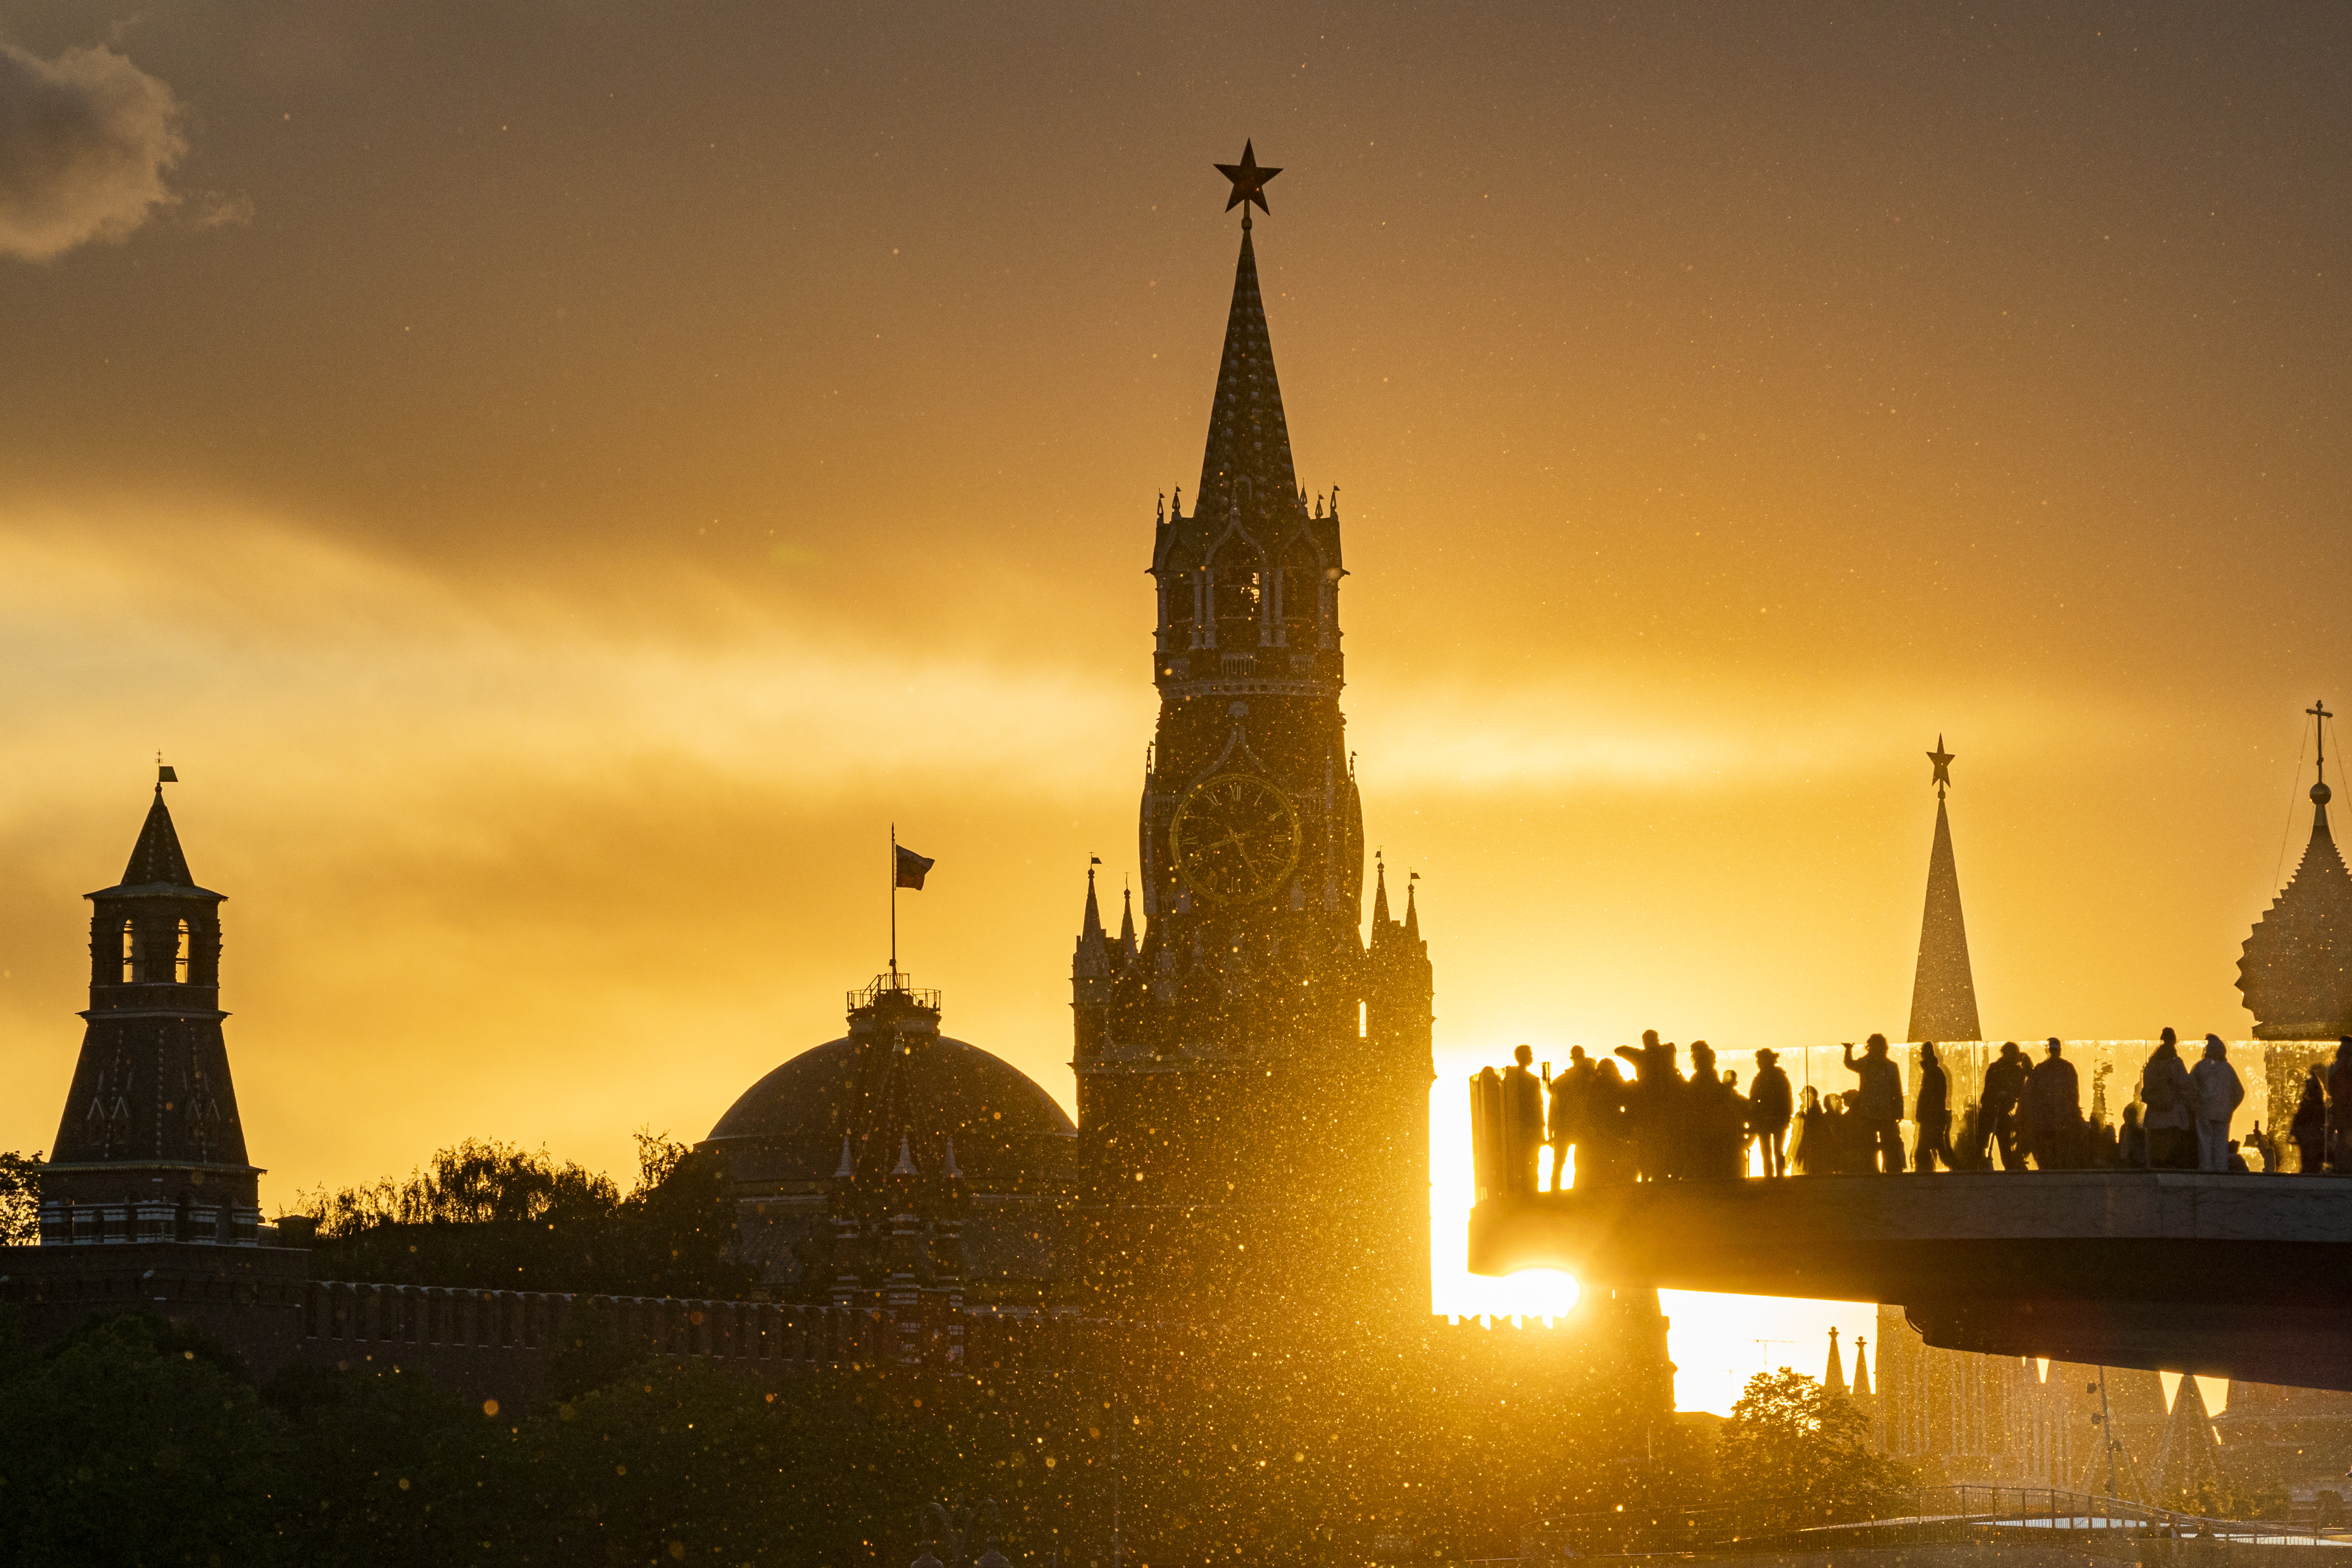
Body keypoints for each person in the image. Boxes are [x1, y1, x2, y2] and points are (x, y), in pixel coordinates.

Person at [1841, 1034, 1905, 1174]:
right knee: (1882, 1145)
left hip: (1872, 1112)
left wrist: (1848, 1051)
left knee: (1873, 1145)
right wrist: (1899, 1111)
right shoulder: (1889, 1066)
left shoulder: (1870, 1064)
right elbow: (1897, 1091)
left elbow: (1850, 1064)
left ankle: (1875, 1171)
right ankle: (1887, 1171)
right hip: (1880, 1112)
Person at [2188, 1034, 2245, 1173]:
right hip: (2223, 1115)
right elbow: (2240, 1092)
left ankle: (2206, 1174)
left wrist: (2195, 1106)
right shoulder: (2228, 1069)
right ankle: (2221, 1174)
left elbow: (2190, 1089)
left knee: (2205, 1144)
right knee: (2221, 1146)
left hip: (2204, 1112)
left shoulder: (2200, 1067)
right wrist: (2230, 1108)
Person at [2140, 1029, 2195, 1170]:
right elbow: (2185, 1085)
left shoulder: (2151, 1065)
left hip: (2153, 1117)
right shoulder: (2175, 1063)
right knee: (2171, 1158)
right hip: (2172, 1116)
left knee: (2156, 1157)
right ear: (2174, 1041)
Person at [2024, 1038, 2081, 1170]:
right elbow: (2074, 1094)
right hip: (2058, 1121)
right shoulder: (2067, 1068)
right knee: (2057, 1155)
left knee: (2050, 1155)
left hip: (2050, 1122)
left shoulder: (2042, 1069)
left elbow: (2031, 1094)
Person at [1548, 1045, 1597, 1190]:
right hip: (1582, 1125)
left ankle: (1555, 1191)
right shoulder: (1591, 1077)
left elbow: (1554, 1108)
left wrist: (1551, 1130)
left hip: (1564, 1126)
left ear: (1572, 1058)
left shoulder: (1561, 1081)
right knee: (1581, 1162)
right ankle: (1578, 1190)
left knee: (1559, 1163)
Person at [1980, 1042, 2029, 1171]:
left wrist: (2008, 1096)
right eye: (2013, 1054)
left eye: (2016, 1054)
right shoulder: (1995, 1068)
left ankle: (2010, 1169)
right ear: (2005, 1054)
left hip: (2002, 1114)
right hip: (1990, 1111)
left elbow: (2018, 1091)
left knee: (2005, 1147)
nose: (2015, 1057)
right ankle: (1982, 1166)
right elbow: (1988, 1090)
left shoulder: (2017, 1071)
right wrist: (1998, 1095)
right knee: (1982, 1145)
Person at [1749, 1048, 1794, 1177]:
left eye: (1760, 1060)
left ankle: (1770, 1177)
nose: (1758, 1063)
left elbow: (1753, 1099)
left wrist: (1754, 1117)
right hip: (1776, 1120)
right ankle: (1779, 1177)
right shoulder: (1780, 1077)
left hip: (1767, 1120)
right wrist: (1787, 1117)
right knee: (1776, 1151)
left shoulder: (1760, 1079)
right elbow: (1788, 1098)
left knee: (1769, 1152)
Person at [1912, 1040, 1954, 1172]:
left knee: (1925, 1150)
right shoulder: (1935, 1072)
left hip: (1930, 1117)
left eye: (1923, 1053)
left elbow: (1927, 1097)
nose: (1922, 1055)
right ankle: (1956, 1168)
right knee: (1939, 1148)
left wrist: (1921, 1113)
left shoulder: (1931, 1073)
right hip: (1933, 1117)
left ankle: (1925, 1172)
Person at [2292, 1063, 2329, 1175]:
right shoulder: (2315, 1102)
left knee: (2310, 1159)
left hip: (2310, 1136)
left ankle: (2310, 1172)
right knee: (2310, 1159)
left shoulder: (2312, 1104)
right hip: (2310, 1135)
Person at [1792, 1085, 1825, 1175]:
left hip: (1811, 1152)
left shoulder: (1814, 1113)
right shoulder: (1805, 1112)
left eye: (1803, 1094)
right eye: (1801, 1094)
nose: (1802, 1097)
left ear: (1811, 1096)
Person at [2331, 1039, 2352, 1175]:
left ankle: (2343, 1168)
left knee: (2344, 1141)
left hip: (2343, 1112)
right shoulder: (2340, 1069)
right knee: (2344, 1140)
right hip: (2344, 1112)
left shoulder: (2339, 1069)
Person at [2117, 1102, 2149, 1169]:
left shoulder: (2142, 1129)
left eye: (2129, 1116)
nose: (2125, 1118)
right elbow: (2122, 1146)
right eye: (2125, 1116)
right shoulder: (2124, 1128)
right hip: (2127, 1161)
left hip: (2139, 1162)